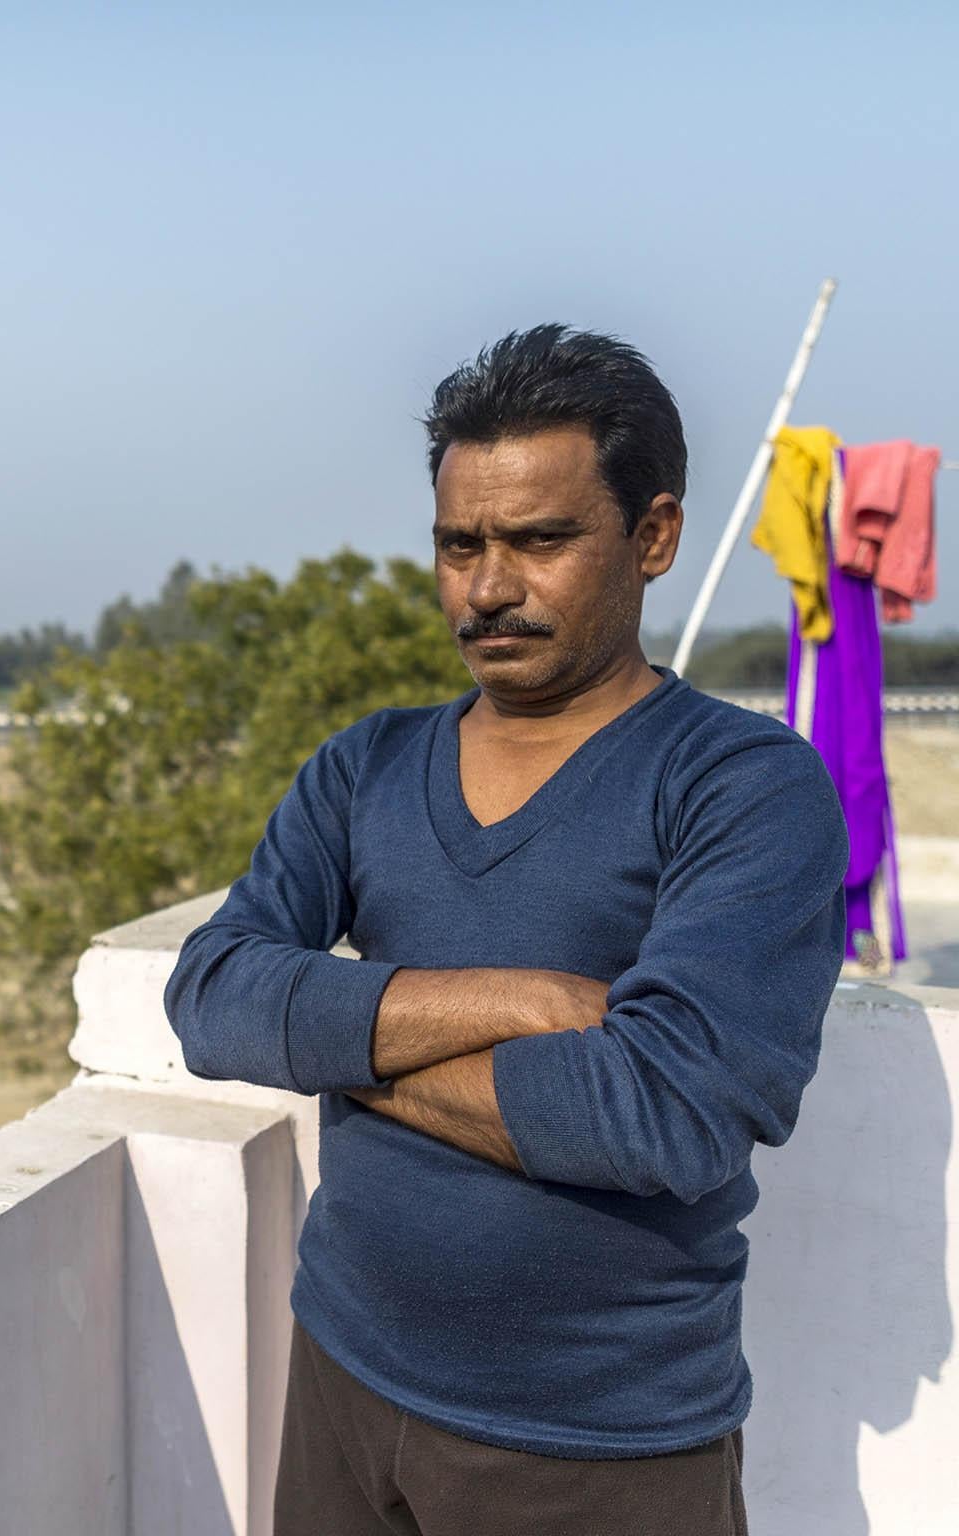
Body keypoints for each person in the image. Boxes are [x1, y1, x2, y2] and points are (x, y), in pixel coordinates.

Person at [163, 326, 847, 1535]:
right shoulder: (365, 765)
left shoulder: (739, 786)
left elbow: (665, 1115)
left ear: (652, 536)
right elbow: (210, 996)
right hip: (340, 1377)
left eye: (538, 541)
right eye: (458, 545)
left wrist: (338, 1041)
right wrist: (523, 1001)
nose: (486, 587)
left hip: (598, 1446)